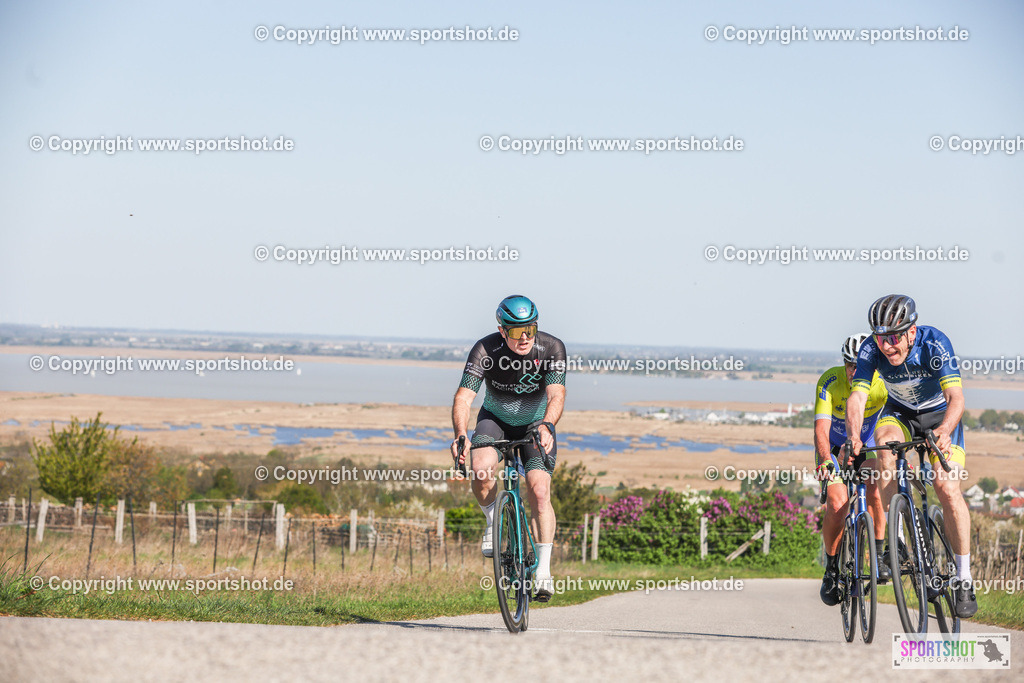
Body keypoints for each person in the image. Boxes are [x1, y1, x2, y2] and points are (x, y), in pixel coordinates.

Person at [846, 294, 976, 618]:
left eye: (893, 337)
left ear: (911, 331)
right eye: (880, 338)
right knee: (885, 444)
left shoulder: (935, 343)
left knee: (947, 488)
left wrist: (945, 430)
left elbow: (956, 397)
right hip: (900, 414)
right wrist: (852, 437)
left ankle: (963, 577)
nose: (886, 346)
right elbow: (857, 399)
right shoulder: (871, 350)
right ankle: (899, 537)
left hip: (940, 416)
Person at [450, 295, 566, 602]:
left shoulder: (551, 348)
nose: (525, 337)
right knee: (481, 470)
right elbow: (464, 397)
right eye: (516, 331)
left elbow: (556, 395)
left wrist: (547, 424)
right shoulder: (485, 350)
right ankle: (492, 520)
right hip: (495, 420)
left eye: (530, 328)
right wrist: (461, 434)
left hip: (535, 426)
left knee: (539, 491)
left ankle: (543, 570)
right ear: (502, 330)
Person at [816, 333, 890, 606]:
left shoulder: (881, 385)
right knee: (837, 502)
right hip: (834, 448)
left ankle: (880, 554)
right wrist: (825, 458)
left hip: (866, 444)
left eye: (859, 364)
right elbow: (821, 429)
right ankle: (831, 568)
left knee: (874, 485)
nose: (853, 371)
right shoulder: (830, 382)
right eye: (849, 364)